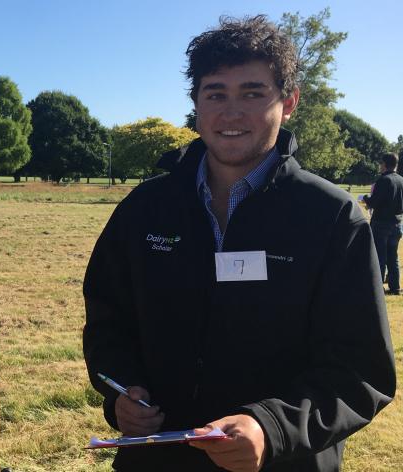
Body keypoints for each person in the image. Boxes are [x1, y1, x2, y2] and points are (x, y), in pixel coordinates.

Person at [82, 15, 395, 472]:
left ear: (289, 102)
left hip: (284, 461)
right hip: (160, 459)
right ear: (196, 104)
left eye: (252, 93)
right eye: (215, 94)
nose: (231, 113)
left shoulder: (332, 217)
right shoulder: (144, 208)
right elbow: (108, 321)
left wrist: (270, 427)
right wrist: (121, 390)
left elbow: (360, 371)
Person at [362, 152, 403, 294]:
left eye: (381, 163)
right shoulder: (401, 180)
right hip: (397, 223)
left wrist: (366, 197)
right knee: (393, 257)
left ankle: (377, 287)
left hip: (381, 223)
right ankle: (395, 287)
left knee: (379, 256)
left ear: (385, 164)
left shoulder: (383, 180)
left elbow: (375, 202)